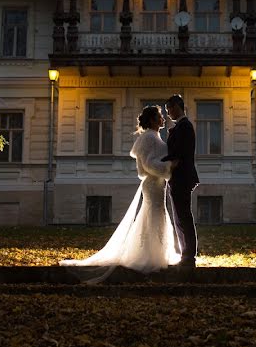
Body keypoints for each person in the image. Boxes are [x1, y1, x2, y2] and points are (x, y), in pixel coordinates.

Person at [60, 105, 181, 277]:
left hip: (157, 184)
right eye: (160, 116)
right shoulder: (148, 138)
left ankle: (155, 252)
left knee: (154, 215)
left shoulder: (154, 137)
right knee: (154, 215)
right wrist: (169, 166)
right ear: (153, 120)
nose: (163, 119)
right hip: (153, 184)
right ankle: (150, 256)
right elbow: (146, 165)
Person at [162, 94, 200, 267]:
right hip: (179, 177)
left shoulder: (184, 127)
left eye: (169, 109)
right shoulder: (181, 127)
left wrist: (158, 164)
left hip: (182, 177)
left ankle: (188, 256)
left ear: (177, 106)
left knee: (183, 216)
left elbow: (177, 153)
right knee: (180, 216)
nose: (168, 113)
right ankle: (186, 254)